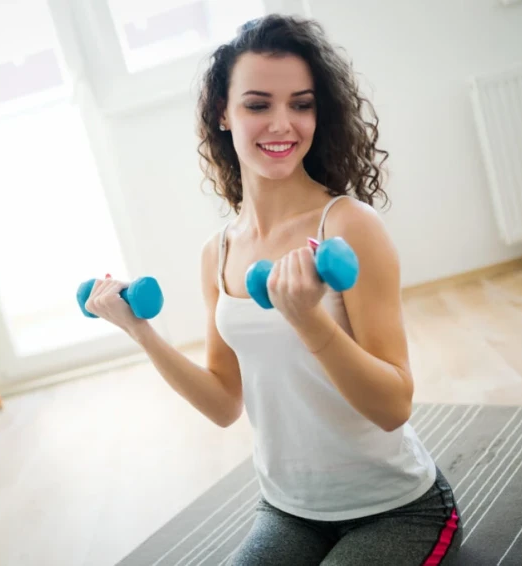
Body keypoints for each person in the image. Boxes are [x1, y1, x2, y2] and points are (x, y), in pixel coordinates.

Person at [84, 13, 463, 565]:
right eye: (258, 105)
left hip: (398, 508)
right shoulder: (218, 253)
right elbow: (223, 402)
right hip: (289, 509)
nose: (283, 124)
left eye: (301, 104)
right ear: (223, 112)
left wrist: (309, 320)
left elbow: (393, 407)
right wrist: (140, 332)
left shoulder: (349, 226)